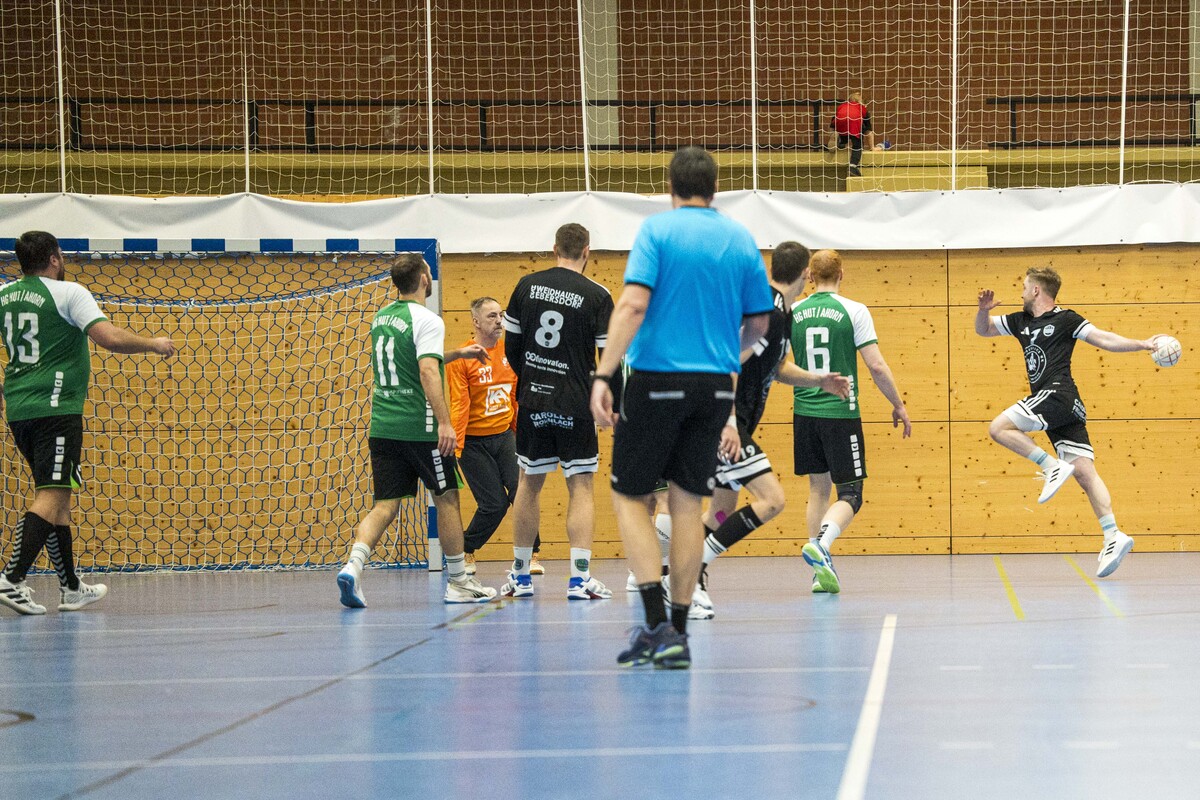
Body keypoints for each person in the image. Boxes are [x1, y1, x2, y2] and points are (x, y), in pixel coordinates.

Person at [590, 146, 773, 669]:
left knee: (630, 496)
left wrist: (604, 374)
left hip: (658, 379)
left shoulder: (658, 231)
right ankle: (679, 633)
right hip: (714, 387)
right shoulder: (739, 238)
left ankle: (655, 625)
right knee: (689, 504)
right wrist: (724, 353)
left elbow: (633, 304)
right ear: (714, 189)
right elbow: (759, 325)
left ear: (670, 187)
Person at [0, 231, 176, 616]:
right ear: (54, 258)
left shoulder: (4, 296)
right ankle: (12, 578)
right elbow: (108, 338)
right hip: (56, 409)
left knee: (58, 496)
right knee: (51, 495)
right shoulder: (68, 293)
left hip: (19, 409)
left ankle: (70, 588)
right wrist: (153, 343)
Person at [976, 267, 1166, 578]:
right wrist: (983, 311)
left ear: (1037, 290)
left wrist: (1142, 344)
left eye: (1024, 286)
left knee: (998, 428)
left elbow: (1104, 339)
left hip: (1057, 394)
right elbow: (983, 330)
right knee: (1084, 472)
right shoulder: (1020, 321)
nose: (1021, 292)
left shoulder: (1066, 319)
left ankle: (1050, 466)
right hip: (1066, 405)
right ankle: (1113, 534)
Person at [696, 242, 850, 618]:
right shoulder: (768, 312)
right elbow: (729, 360)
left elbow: (777, 367)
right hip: (723, 421)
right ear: (806, 275)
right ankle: (686, 574)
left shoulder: (783, 314)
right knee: (772, 500)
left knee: (720, 512)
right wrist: (728, 422)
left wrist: (819, 380)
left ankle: (680, 575)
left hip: (728, 421)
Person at [337, 253, 496, 607]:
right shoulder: (428, 318)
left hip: (383, 426)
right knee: (447, 497)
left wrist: (458, 354)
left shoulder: (381, 318)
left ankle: (353, 566)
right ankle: (459, 581)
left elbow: (414, 358)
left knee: (385, 506)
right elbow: (425, 370)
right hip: (420, 429)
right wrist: (445, 423)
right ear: (425, 278)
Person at [501, 223, 613, 600]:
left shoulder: (526, 285)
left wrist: (532, 380)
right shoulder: (597, 295)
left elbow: (511, 349)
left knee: (527, 483)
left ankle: (521, 576)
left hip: (533, 400)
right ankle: (579, 579)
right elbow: (609, 357)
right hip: (576, 403)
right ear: (587, 251)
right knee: (580, 485)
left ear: (554, 249)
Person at [791, 249, 911, 594]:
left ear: (810, 276)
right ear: (841, 274)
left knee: (818, 490)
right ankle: (822, 545)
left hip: (804, 413)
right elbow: (876, 366)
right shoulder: (854, 311)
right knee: (851, 493)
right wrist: (898, 404)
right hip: (840, 414)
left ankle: (819, 572)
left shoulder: (794, 311)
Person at [447, 296, 542, 575]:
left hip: (504, 437)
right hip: (473, 443)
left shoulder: (510, 352)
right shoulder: (463, 358)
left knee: (522, 492)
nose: (499, 320)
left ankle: (532, 554)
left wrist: (520, 432)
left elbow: (514, 396)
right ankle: (466, 549)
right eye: (492, 316)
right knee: (494, 505)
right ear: (476, 322)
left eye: (501, 315)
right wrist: (457, 445)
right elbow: (459, 404)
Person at [827, 92, 875, 177]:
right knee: (857, 144)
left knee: (842, 135)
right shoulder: (862, 108)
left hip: (840, 123)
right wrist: (872, 147)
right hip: (854, 124)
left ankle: (839, 139)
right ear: (862, 103)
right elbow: (868, 132)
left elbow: (832, 123)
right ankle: (853, 167)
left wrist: (832, 134)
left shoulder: (842, 106)